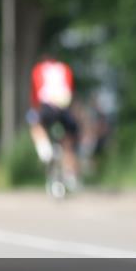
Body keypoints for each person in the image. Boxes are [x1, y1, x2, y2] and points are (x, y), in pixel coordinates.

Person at [28, 55, 79, 188]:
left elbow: (36, 92)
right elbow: (70, 89)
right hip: (64, 106)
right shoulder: (65, 68)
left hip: (48, 106)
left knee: (36, 126)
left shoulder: (39, 69)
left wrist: (35, 107)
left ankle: (46, 152)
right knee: (68, 142)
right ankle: (71, 176)